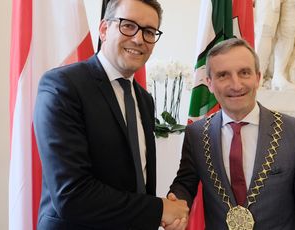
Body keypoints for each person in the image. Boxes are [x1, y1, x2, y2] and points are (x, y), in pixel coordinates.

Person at [33, 0, 188, 229]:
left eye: (148, 31)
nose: (138, 39)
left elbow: (139, 181)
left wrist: (159, 215)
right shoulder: (63, 86)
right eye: (128, 25)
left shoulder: (145, 100)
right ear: (104, 29)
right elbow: (72, 195)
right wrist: (159, 209)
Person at [169, 38, 295, 229]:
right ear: (209, 83)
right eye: (223, 75)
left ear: (258, 78)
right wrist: (175, 202)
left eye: (244, 73)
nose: (236, 85)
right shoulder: (196, 134)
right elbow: (186, 183)